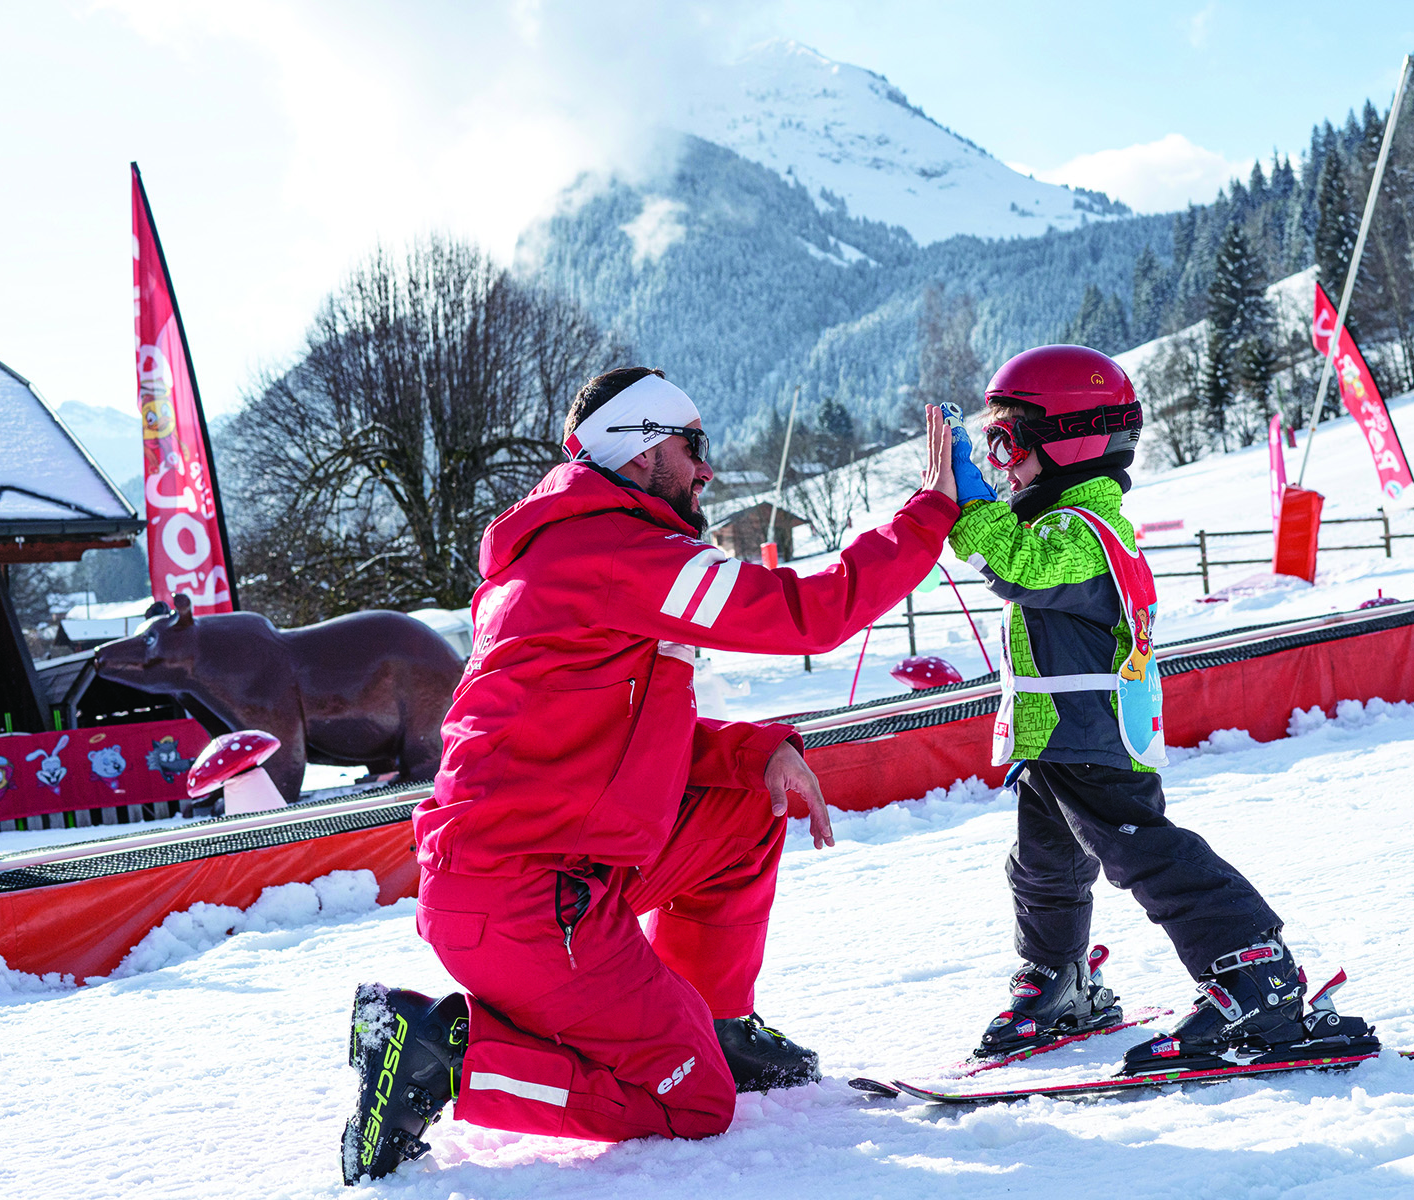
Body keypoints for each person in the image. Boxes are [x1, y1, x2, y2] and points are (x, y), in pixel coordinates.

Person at [341, 367, 960, 1183]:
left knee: (747, 806)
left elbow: (613, 736)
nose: (707, 468)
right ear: (639, 450)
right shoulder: (616, 550)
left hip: (545, 871)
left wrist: (754, 752)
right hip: (528, 900)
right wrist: (930, 511)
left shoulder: (571, 547)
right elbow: (813, 611)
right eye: (692, 445)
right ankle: (446, 1056)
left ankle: (717, 1028)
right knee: (693, 1105)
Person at [943, 344, 1376, 1077]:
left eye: (1006, 442)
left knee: (1144, 853)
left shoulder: (1084, 530)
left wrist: (970, 506)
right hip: (1056, 737)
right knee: (1044, 868)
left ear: (1071, 441)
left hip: (1093, 734)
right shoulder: (1057, 522)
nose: (997, 462)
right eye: (989, 444)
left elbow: (1019, 567)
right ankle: (1058, 978)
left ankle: (1256, 976)